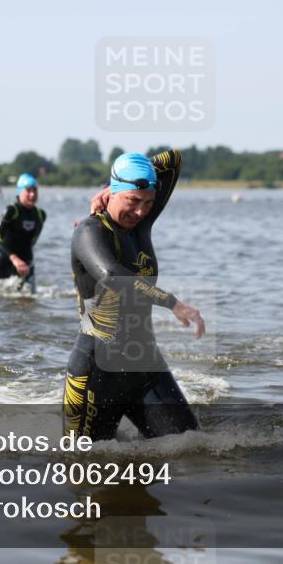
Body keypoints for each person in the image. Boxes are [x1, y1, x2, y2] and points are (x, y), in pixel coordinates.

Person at [63, 150, 205, 441]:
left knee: (191, 448)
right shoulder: (89, 231)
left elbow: (174, 159)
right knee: (86, 468)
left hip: (146, 366)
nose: (141, 211)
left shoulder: (141, 224)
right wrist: (171, 302)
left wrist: (113, 184)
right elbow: (113, 277)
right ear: (114, 193)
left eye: (148, 203)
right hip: (96, 374)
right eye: (132, 201)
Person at [0, 173, 46, 289]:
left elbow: (33, 241)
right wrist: (14, 259)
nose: (32, 194)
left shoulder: (40, 215)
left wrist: (25, 260)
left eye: (35, 191)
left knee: (30, 299)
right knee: (3, 300)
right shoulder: (11, 211)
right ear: (19, 192)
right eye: (28, 191)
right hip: (5, 262)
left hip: (26, 263)